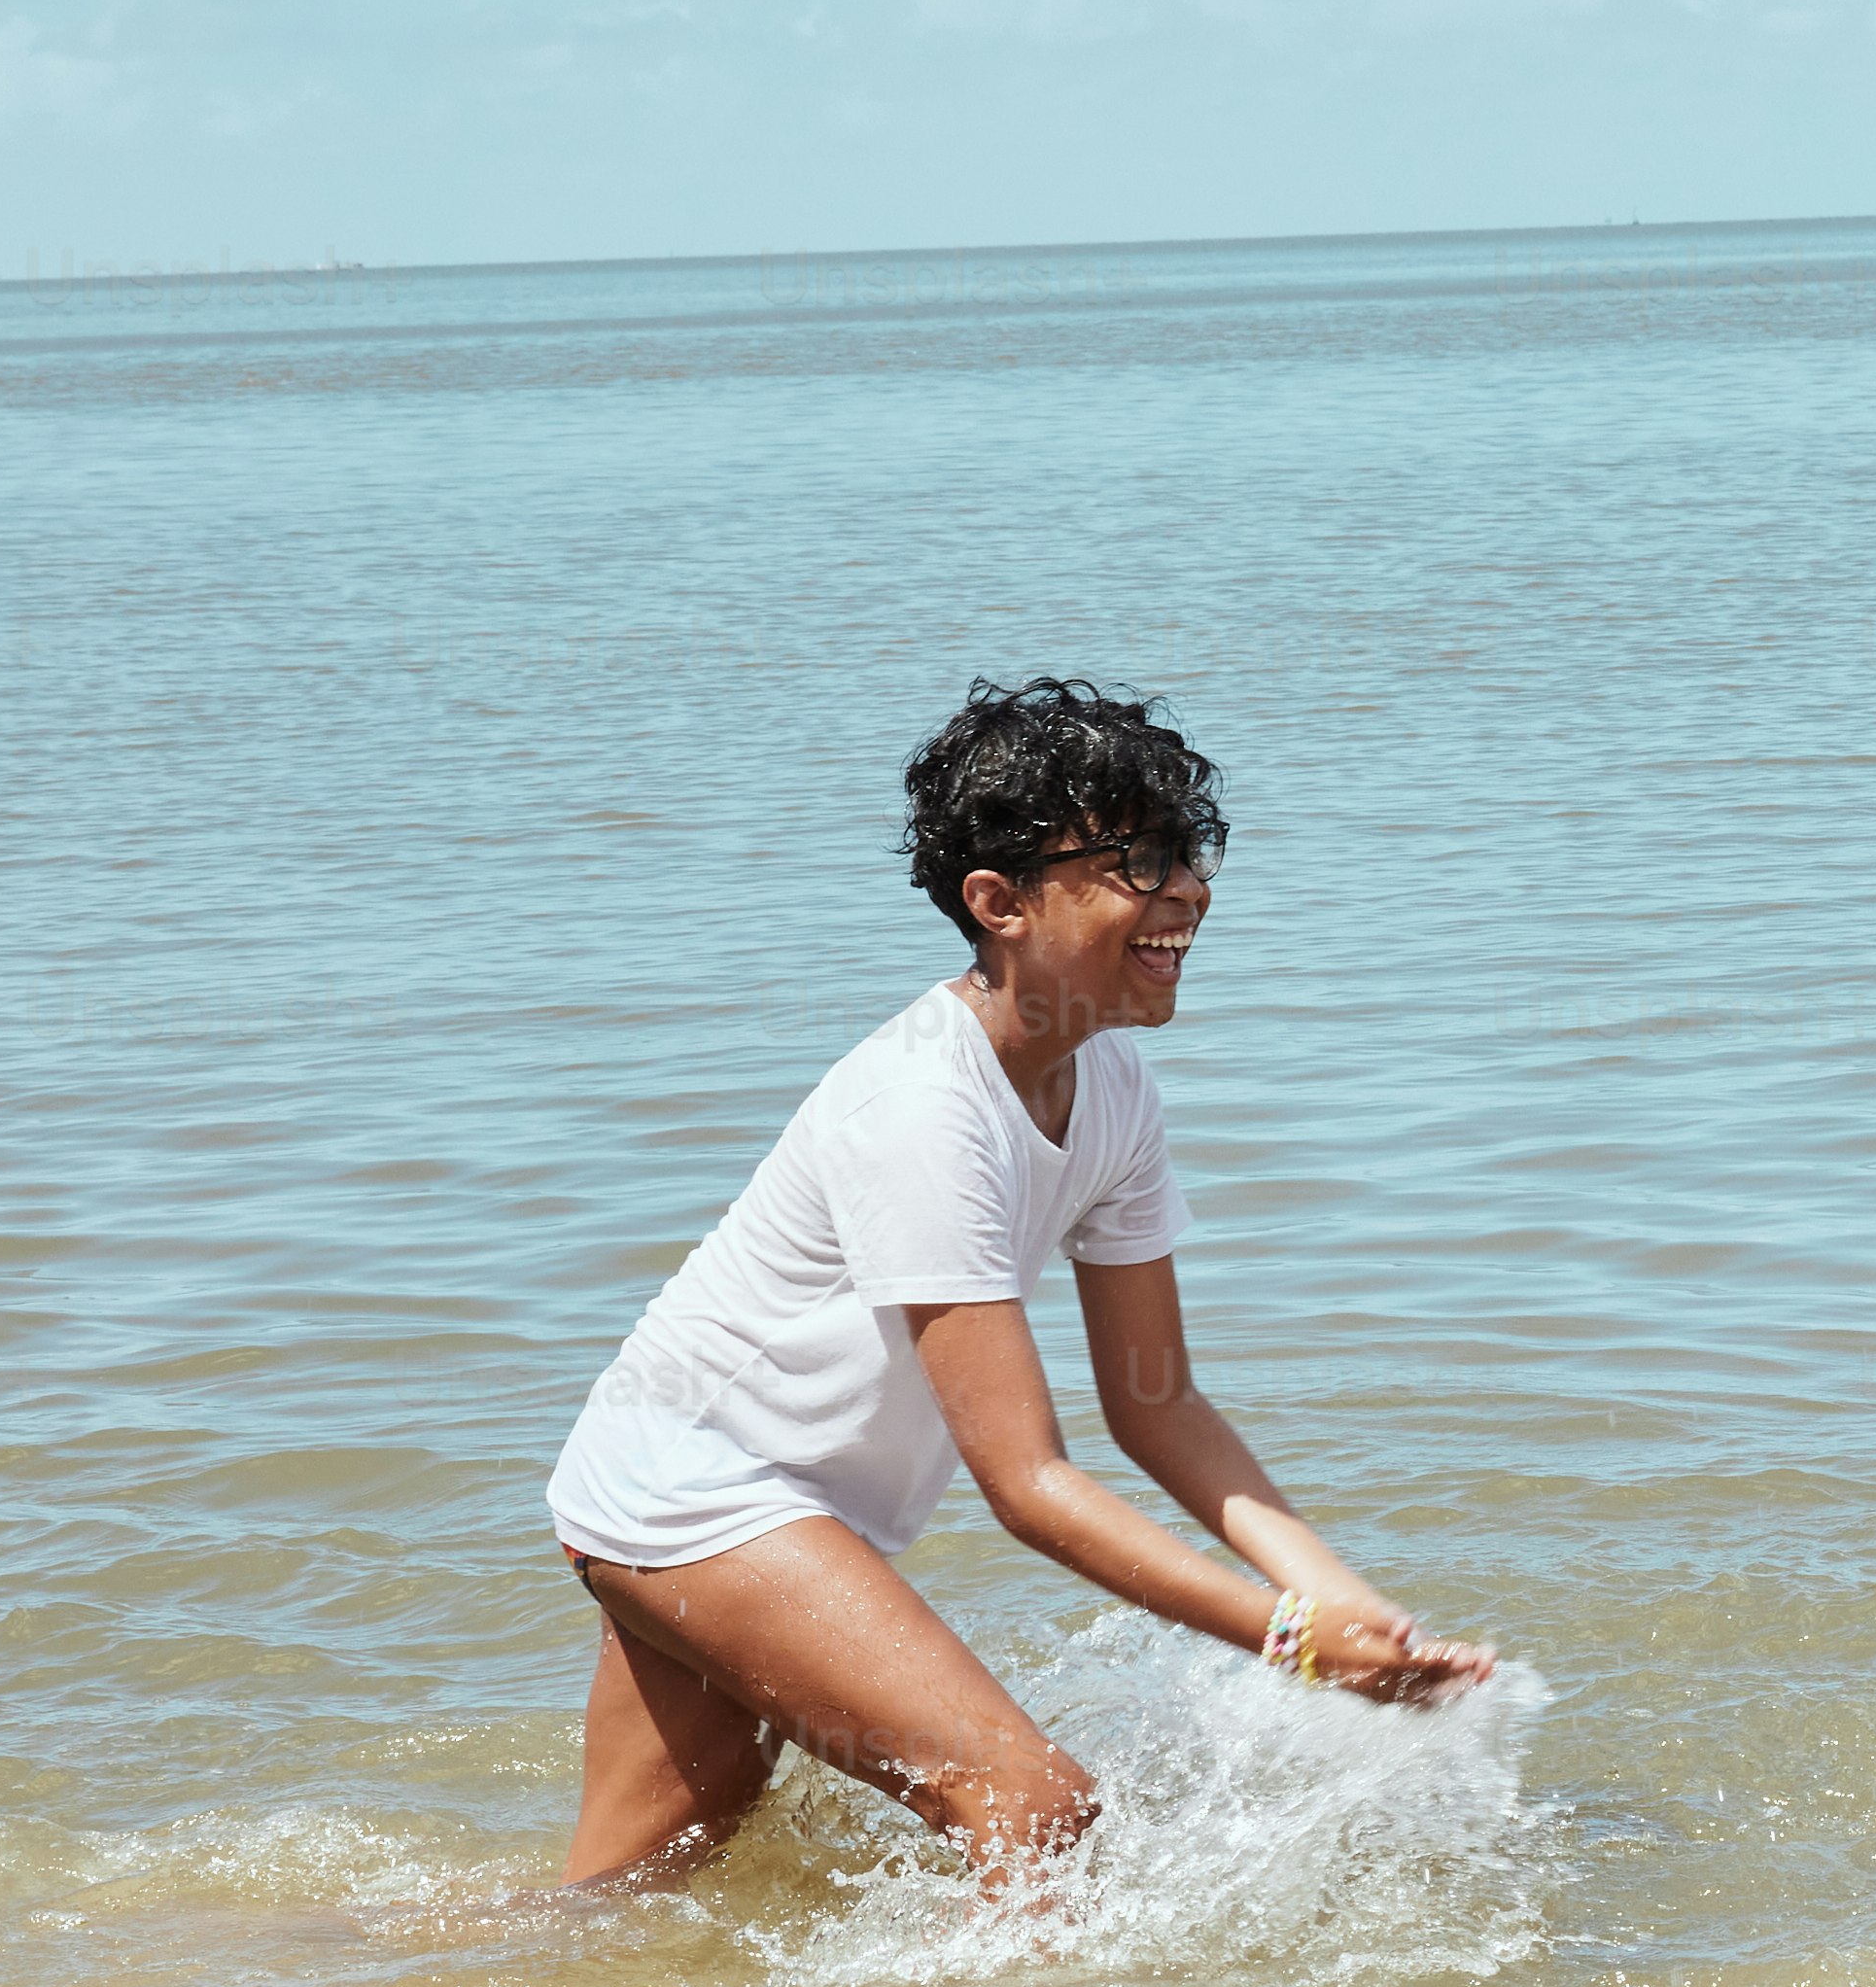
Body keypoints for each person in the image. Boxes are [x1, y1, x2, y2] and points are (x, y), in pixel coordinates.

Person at [545, 679, 1485, 1896]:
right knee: (1035, 1807)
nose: (1186, 890)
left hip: (780, 1500)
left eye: (1189, 855)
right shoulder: (923, 1109)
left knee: (630, 1892)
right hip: (695, 1487)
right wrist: (1292, 1642)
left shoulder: (1113, 1088)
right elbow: (1026, 1484)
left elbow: (1159, 1407)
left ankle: (304, 1971)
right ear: (997, 903)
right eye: (1136, 860)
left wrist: (1343, 1599)